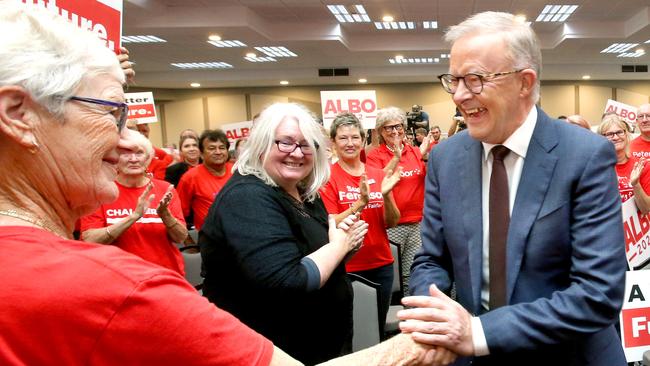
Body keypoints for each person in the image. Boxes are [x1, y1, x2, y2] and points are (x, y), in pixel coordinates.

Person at [0, 3, 450, 365]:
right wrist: (416, 347)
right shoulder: (112, 287)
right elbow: (286, 283)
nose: (130, 144)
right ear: (19, 116)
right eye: (110, 111)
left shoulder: (304, 196)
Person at [399, 11, 627, 366]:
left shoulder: (585, 156)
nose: (459, 95)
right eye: (454, 80)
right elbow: (431, 258)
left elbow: (597, 294)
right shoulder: (445, 158)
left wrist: (478, 333)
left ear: (525, 82)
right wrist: (434, 310)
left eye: (474, 79)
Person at [199, 102, 373, 365]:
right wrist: (338, 246)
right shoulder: (247, 196)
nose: (297, 153)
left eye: (306, 145)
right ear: (261, 145)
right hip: (274, 351)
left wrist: (345, 246)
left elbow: (309, 257)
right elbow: (287, 280)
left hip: (321, 345)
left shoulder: (303, 192)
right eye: (285, 143)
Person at [320, 112, 401, 329]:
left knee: (376, 328)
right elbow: (331, 222)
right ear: (334, 143)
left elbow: (392, 222)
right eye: (343, 138)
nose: (350, 143)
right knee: (348, 329)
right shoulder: (327, 178)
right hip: (345, 266)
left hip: (381, 263)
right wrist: (360, 203)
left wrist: (384, 195)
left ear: (363, 140)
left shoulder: (379, 174)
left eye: (355, 137)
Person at [81, 130, 188, 274]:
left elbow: (181, 237)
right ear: (114, 158)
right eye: (125, 153)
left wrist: (165, 216)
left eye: (139, 153)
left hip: (166, 277)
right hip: (120, 279)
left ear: (148, 158)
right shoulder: (100, 192)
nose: (133, 159)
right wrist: (133, 217)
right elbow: (90, 240)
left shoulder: (165, 189)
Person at [366, 106, 427, 295]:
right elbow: (378, 180)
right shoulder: (375, 156)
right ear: (381, 132)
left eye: (398, 126)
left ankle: (411, 320)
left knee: (411, 275)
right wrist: (395, 158)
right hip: (392, 225)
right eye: (389, 127)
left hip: (418, 223)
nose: (395, 131)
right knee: (390, 278)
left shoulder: (415, 152)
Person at [176, 129, 233, 230]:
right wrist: (188, 241)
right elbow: (178, 213)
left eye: (222, 148)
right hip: (210, 239)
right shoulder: (190, 178)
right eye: (212, 148)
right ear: (201, 154)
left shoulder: (237, 171)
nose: (218, 152)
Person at [598, 114, 650, 213]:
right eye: (609, 134)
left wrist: (636, 184)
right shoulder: (595, 169)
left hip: (635, 227)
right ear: (602, 138)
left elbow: (646, 209)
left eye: (619, 132)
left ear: (626, 134)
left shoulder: (641, 166)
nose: (615, 137)